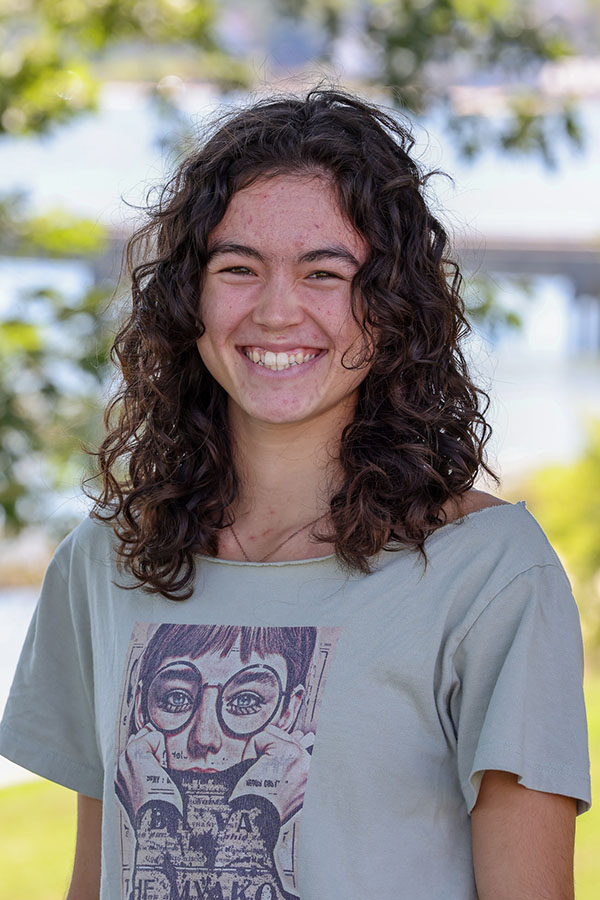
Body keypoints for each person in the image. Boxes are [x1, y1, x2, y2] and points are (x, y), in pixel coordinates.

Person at [0, 86, 590, 900]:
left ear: (390, 307)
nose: (278, 311)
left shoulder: (489, 575)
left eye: (326, 272)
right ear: (189, 298)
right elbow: (94, 883)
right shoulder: (104, 563)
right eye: (238, 268)